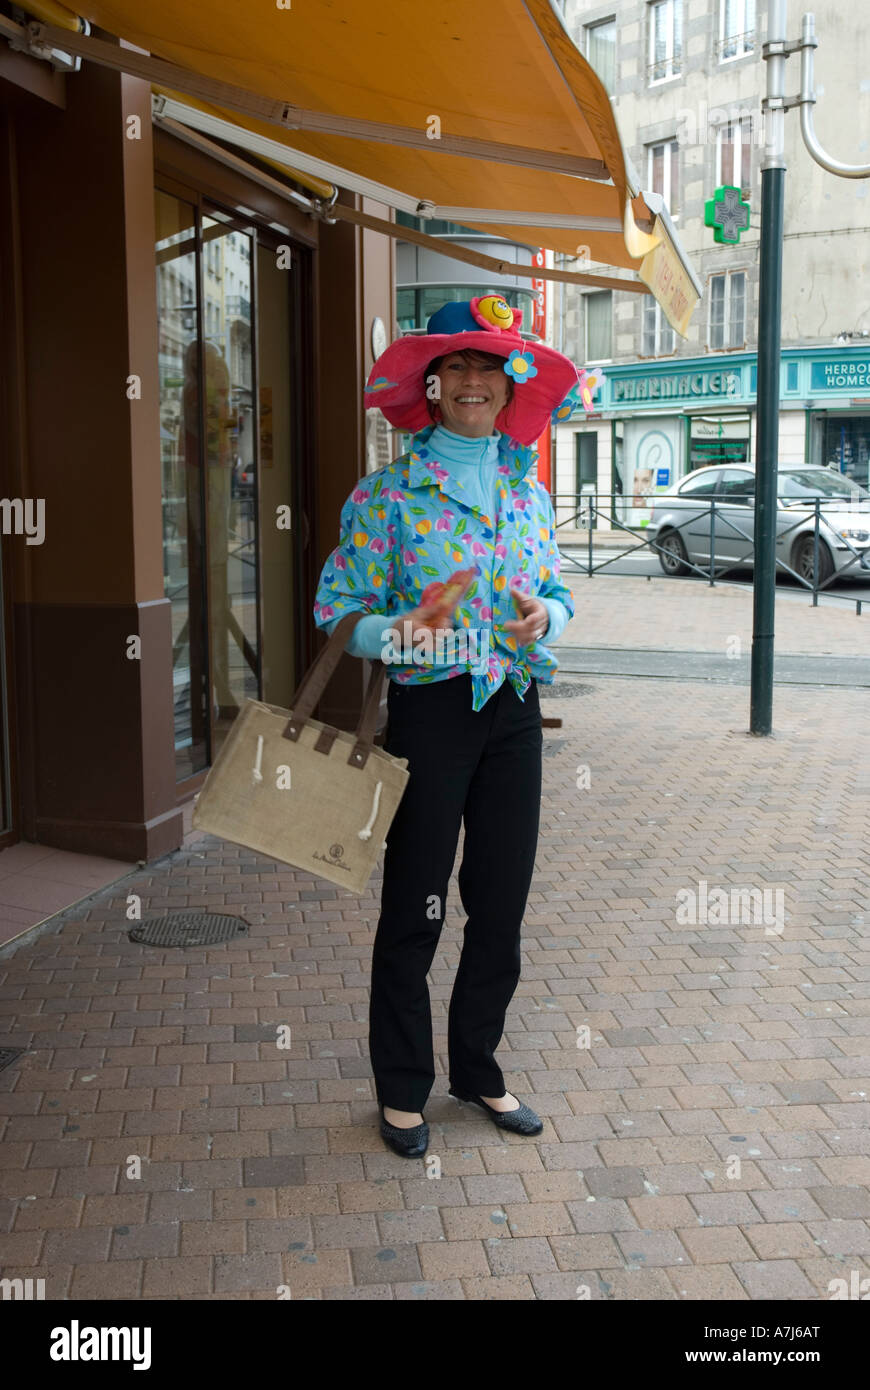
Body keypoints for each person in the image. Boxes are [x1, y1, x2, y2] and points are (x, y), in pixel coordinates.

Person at [314, 295, 585, 1158]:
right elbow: (335, 606)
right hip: (430, 715)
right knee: (416, 906)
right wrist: (397, 631)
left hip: (512, 711)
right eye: (455, 367)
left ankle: (477, 1067)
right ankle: (402, 1088)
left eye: (489, 368)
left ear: (510, 390)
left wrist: (549, 613)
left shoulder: (526, 487)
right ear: (431, 388)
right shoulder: (389, 493)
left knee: (499, 905)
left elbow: (562, 592)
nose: (473, 381)